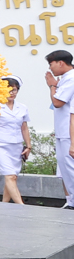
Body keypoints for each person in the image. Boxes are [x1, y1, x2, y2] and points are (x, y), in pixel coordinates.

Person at [0, 76, 30, 206]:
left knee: (13, 176)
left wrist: (28, 146)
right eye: (9, 90)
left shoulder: (22, 107)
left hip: (16, 145)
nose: (12, 93)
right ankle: (21, 205)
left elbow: (24, 128)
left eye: (14, 90)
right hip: (0, 145)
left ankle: (4, 204)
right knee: (10, 176)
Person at [48, 50, 74, 206]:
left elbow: (58, 102)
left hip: (68, 132)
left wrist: (52, 85)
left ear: (61, 63)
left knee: (70, 168)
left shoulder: (71, 78)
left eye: (51, 64)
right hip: (62, 130)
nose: (50, 68)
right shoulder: (65, 79)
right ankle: (71, 201)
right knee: (65, 168)